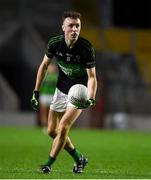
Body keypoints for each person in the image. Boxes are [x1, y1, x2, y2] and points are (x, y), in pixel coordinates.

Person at [31, 11, 97, 174]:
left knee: (63, 126)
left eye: (78, 26)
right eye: (71, 26)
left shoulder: (86, 48)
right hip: (61, 89)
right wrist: (36, 91)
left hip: (79, 92)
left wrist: (91, 97)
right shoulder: (55, 43)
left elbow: (92, 76)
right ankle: (79, 158)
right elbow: (44, 66)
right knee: (51, 131)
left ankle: (49, 163)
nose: (74, 29)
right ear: (63, 27)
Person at [37, 63, 57, 128]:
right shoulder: (44, 76)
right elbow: (40, 86)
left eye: (52, 68)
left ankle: (51, 126)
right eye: (49, 68)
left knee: (51, 113)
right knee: (43, 112)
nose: (51, 69)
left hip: (52, 96)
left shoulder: (56, 77)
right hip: (44, 95)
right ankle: (44, 126)